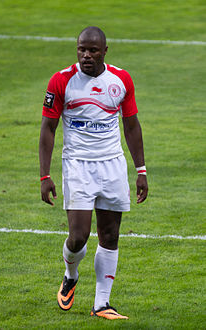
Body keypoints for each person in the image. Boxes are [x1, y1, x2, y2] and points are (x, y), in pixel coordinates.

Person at [39, 26, 148, 320]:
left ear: (104, 51)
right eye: (81, 49)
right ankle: (70, 274)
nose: (86, 55)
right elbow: (48, 129)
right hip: (77, 166)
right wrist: (44, 175)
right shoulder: (61, 81)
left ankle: (102, 303)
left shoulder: (121, 79)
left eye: (93, 50)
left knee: (110, 234)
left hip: (112, 164)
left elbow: (132, 125)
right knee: (78, 236)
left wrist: (141, 170)